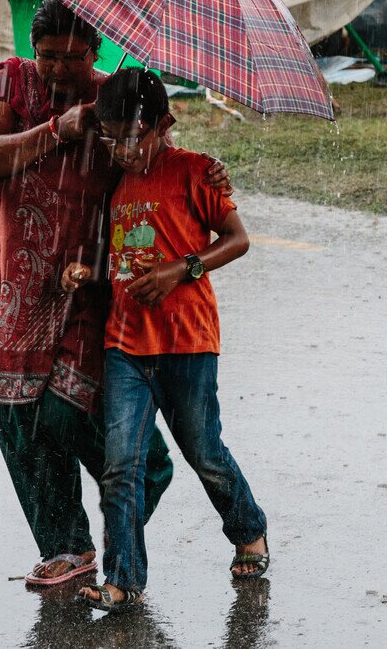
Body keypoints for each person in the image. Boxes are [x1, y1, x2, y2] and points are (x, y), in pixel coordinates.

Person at [0, 0, 224, 588]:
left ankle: (140, 484)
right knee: (20, 422)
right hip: (13, 288)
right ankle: (67, 545)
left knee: (68, 413)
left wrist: (207, 172)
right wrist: (56, 129)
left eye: (73, 57)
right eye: (48, 55)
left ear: (96, 52)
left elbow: (157, 159)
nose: (58, 69)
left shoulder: (117, 97)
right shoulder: (12, 81)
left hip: (90, 288)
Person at [71, 68, 268, 613]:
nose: (121, 151)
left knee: (205, 453)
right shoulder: (117, 182)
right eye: (111, 139)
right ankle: (123, 580)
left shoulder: (196, 171)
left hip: (188, 343)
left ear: (164, 125)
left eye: (130, 138)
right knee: (121, 466)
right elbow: (120, 256)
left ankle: (248, 529)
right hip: (125, 347)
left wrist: (181, 269)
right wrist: (87, 273)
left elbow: (238, 239)